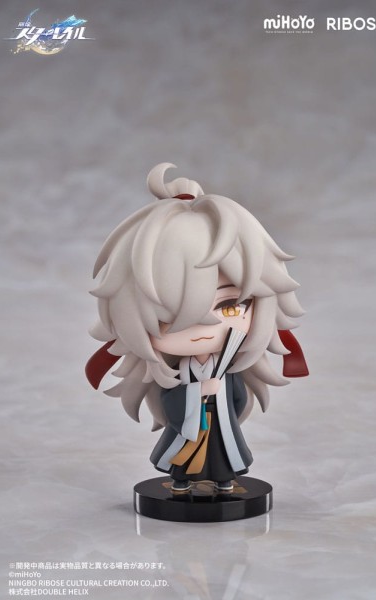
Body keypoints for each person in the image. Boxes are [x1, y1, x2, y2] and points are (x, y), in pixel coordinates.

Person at [86, 163, 308, 493]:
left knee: (224, 457)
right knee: (181, 456)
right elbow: (171, 406)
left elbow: (237, 401)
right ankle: (181, 482)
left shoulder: (226, 367)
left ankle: (224, 481)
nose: (205, 328)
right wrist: (196, 395)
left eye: (229, 306)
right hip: (188, 428)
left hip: (221, 429)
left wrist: (221, 396)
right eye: (171, 319)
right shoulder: (182, 373)